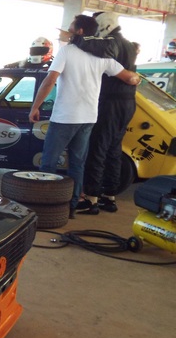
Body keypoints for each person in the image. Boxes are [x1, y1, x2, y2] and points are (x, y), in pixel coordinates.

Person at [29, 15, 140, 218]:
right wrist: (136, 79)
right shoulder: (102, 56)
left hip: (64, 117)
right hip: (88, 118)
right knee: (77, 164)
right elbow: (130, 78)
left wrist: (35, 107)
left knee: (49, 163)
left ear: (80, 31)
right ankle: (71, 207)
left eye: (72, 26)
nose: (69, 29)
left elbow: (49, 80)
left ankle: (46, 206)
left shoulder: (67, 51)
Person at [68, 11, 138, 214]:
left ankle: (92, 199)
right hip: (127, 102)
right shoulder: (128, 44)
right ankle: (110, 196)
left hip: (111, 103)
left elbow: (97, 47)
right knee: (113, 149)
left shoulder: (111, 42)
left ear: (105, 25)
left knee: (98, 148)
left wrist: (75, 38)